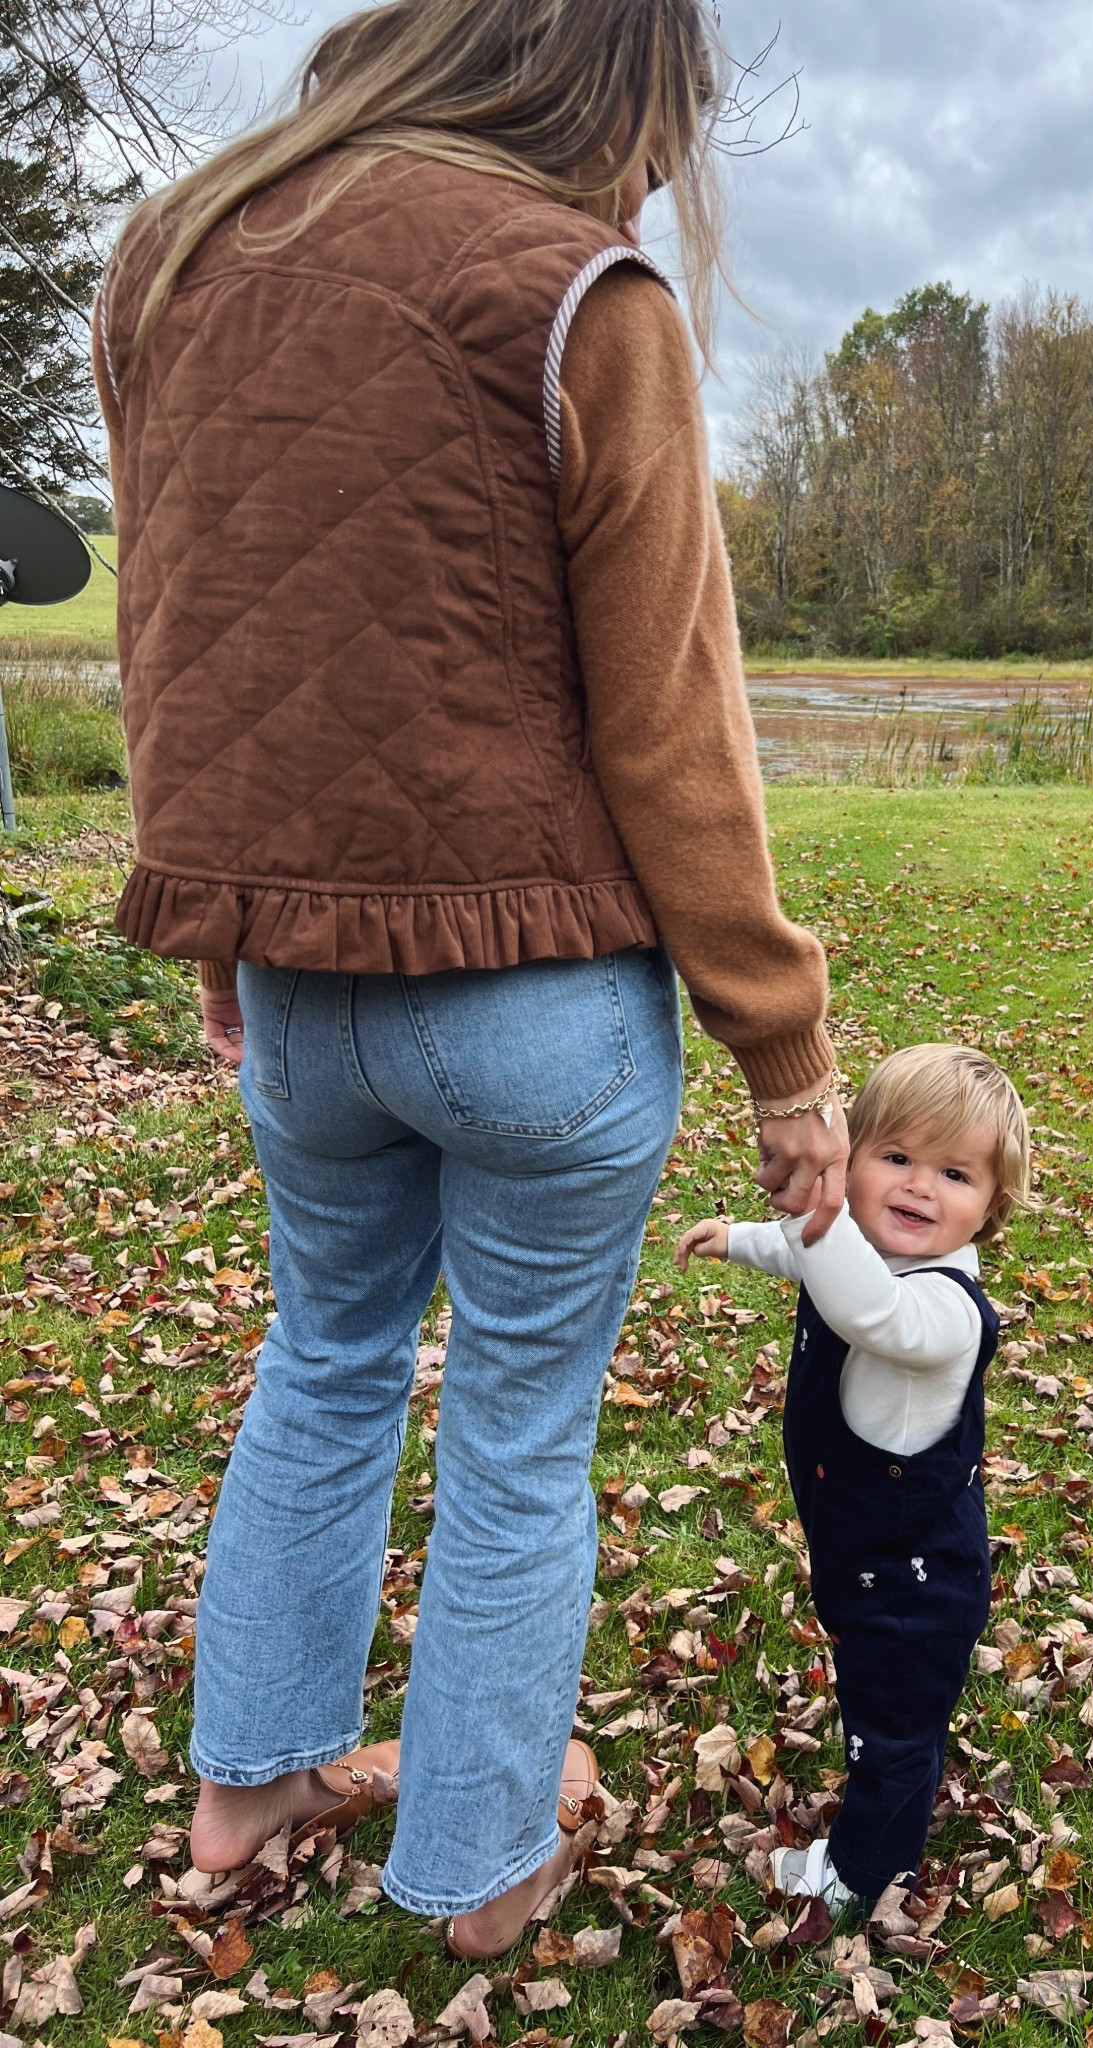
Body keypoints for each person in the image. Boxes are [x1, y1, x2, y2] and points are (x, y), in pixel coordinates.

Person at [92, 0, 850, 1962]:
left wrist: (214, 922)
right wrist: (789, 1052)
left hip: (305, 988)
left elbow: (181, 644)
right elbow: (679, 737)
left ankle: (242, 1795)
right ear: (605, 82)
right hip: (538, 998)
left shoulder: (177, 257)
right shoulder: (577, 291)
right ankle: (486, 1870)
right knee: (519, 1427)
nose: (667, 170)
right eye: (667, 124)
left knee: (322, 1366)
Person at [677, 1044, 1030, 1911]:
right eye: (896, 1157)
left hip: (917, 1582)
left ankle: (867, 1874)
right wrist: (740, 1240)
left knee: (893, 1732)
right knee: (879, 1705)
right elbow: (807, 1257)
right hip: (864, 1555)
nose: (918, 1187)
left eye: (954, 1173)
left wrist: (817, 1211)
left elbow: (867, 1307)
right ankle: (882, 1824)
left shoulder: (943, 1308)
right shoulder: (859, 1248)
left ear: (989, 1207)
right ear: (856, 1160)